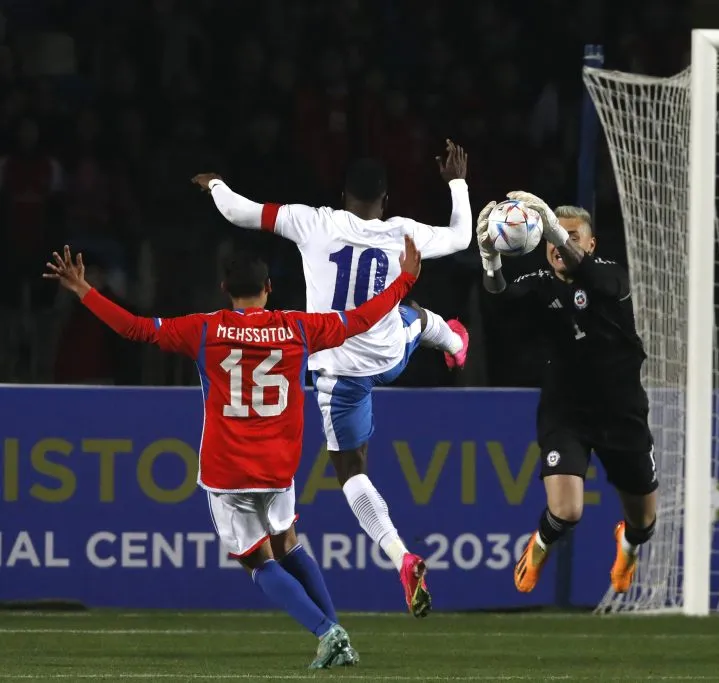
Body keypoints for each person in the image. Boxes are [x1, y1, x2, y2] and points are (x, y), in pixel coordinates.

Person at [43, 237, 422, 668]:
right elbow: (360, 320)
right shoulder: (300, 327)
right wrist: (404, 281)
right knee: (289, 545)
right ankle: (338, 635)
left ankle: (327, 632)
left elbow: (135, 328)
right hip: (279, 468)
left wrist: (84, 291)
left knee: (257, 562)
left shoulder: (204, 328)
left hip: (228, 471)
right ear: (269, 288)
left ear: (224, 287)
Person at [191, 139, 471, 617]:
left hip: (337, 370)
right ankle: (454, 343)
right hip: (387, 354)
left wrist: (213, 183)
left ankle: (401, 555)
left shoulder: (314, 221)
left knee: (351, 473)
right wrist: (458, 183)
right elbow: (462, 236)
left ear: (343, 195)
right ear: (385, 201)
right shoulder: (404, 231)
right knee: (414, 317)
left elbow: (240, 212)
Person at [476, 192, 658, 594]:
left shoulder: (613, 277)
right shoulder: (538, 285)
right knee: (567, 510)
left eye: (573, 237)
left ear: (591, 245)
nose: (561, 245)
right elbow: (499, 302)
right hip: (566, 411)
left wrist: (555, 231)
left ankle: (626, 544)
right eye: (554, 239)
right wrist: (490, 259)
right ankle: (538, 546)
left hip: (621, 411)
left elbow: (597, 280)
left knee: (643, 522)